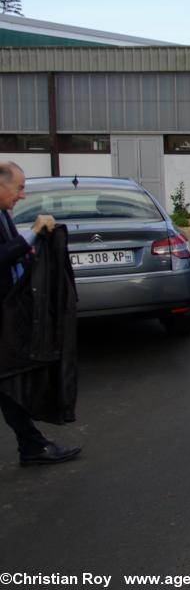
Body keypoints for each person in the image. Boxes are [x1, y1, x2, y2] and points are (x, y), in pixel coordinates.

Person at [0, 162, 81, 466]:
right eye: (18, 188)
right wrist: (30, 236)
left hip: (8, 311)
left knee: (8, 380)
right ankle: (32, 446)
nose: (21, 195)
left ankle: (31, 445)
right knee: (8, 379)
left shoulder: (3, 215)